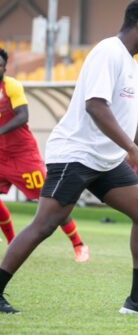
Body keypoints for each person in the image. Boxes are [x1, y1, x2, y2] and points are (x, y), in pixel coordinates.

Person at [0, 0, 138, 314]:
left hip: (105, 161)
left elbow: (129, 120)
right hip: (76, 154)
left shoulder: (131, 63)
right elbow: (95, 106)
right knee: (45, 224)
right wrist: (133, 152)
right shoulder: (107, 53)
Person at [0, 48, 90, 263]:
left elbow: (23, 116)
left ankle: (78, 243)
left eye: (1, 65)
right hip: (1, 155)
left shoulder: (11, 86)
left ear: (5, 67)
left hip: (22, 155)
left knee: (51, 202)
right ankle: (13, 243)